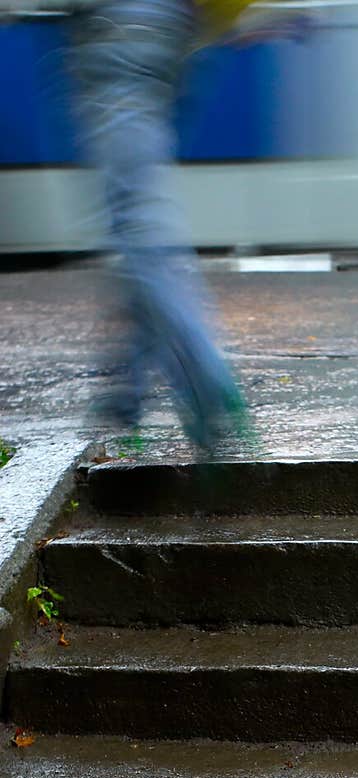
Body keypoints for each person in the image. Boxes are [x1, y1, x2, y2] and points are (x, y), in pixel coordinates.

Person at [3, 0, 255, 450]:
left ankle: (204, 379)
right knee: (135, 216)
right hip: (176, 35)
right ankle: (126, 401)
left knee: (136, 223)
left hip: (114, 30)